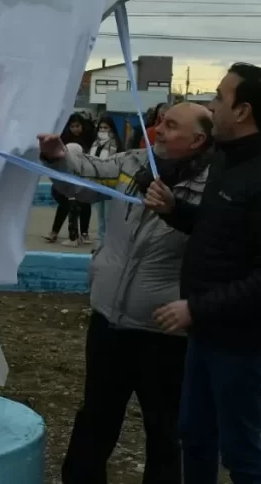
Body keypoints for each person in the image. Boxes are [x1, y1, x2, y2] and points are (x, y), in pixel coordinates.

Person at [40, 102, 214, 484]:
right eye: (158, 122)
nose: (159, 130)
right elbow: (83, 182)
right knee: (95, 420)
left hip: (166, 333)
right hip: (109, 320)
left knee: (165, 432)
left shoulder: (215, 186)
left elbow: (219, 242)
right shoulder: (135, 163)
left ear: (198, 139)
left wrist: (176, 209)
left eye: (170, 125)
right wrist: (57, 158)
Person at [146, 63, 261, 484]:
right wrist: (176, 211)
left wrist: (196, 308)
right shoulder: (227, 161)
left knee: (243, 455)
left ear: (244, 110)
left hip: (241, 344)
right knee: (195, 436)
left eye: (219, 98)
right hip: (206, 335)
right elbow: (218, 232)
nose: (212, 107)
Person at [44, 113, 93, 244]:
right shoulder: (64, 139)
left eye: (78, 126)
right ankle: (55, 232)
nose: (75, 129)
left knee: (84, 205)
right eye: (72, 126)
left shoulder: (89, 139)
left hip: (84, 176)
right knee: (65, 204)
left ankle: (84, 233)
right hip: (66, 177)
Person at [89, 116, 123, 248]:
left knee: (109, 216)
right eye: (101, 127)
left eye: (106, 127)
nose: (102, 130)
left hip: (111, 185)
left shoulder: (117, 146)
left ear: (112, 129)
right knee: (100, 217)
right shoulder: (95, 144)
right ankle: (101, 243)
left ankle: (109, 244)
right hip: (97, 184)